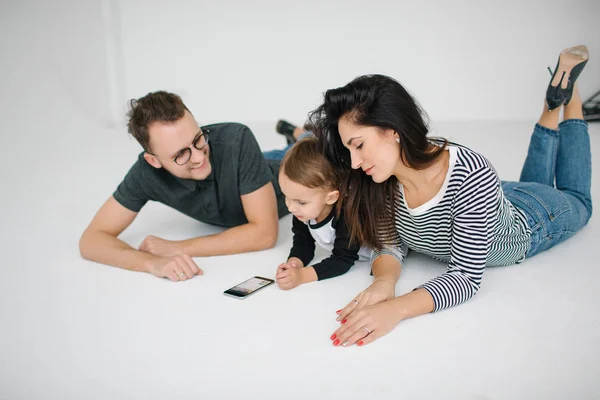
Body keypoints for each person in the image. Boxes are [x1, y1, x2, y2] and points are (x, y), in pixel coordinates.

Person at [309, 45, 592, 347]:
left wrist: (396, 309)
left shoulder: (470, 174)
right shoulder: (382, 177)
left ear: (392, 130)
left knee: (577, 198)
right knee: (533, 182)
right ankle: (552, 105)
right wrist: (384, 282)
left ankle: (570, 99)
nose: (354, 162)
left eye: (359, 145)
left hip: (534, 220)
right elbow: (389, 243)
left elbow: (467, 277)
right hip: (489, 200)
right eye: (349, 149)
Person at [79, 91, 309, 282]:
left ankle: (302, 134)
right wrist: (151, 263)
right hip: (251, 163)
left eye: (198, 139)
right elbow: (91, 240)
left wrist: (177, 247)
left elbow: (264, 234)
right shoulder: (145, 173)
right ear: (153, 160)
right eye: (181, 154)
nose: (199, 157)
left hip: (281, 168)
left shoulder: (236, 139)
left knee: (315, 147)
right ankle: (295, 134)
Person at [274, 137, 371, 290]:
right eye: (287, 197)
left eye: (301, 202)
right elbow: (302, 243)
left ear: (331, 198)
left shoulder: (347, 216)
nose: (291, 207)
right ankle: (298, 133)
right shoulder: (302, 213)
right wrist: (294, 263)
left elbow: (342, 260)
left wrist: (302, 276)